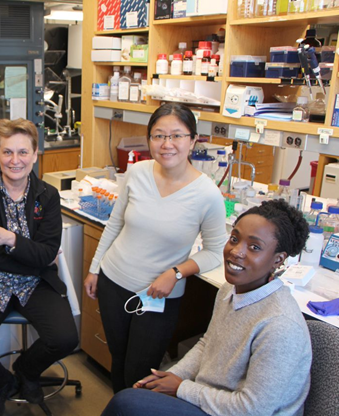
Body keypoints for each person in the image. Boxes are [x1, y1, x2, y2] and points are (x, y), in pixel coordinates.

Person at [102, 199, 312, 416]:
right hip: (210, 399)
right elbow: (207, 344)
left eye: (254, 247)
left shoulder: (280, 326)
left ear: (278, 260)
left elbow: (253, 410)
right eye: (234, 238)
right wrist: (167, 379)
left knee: (125, 404)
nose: (236, 251)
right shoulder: (229, 290)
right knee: (135, 399)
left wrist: (181, 388)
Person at [84, 103, 227, 393]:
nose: (167, 144)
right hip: (113, 281)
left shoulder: (207, 194)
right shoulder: (136, 172)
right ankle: (120, 408)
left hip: (158, 296)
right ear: (149, 139)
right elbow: (115, 224)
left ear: (193, 140)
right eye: (158, 135)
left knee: (140, 371)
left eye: (176, 135)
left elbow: (214, 251)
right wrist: (95, 269)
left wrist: (175, 273)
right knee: (119, 359)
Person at [0, 118, 78, 416]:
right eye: (7, 152)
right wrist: (35, 258)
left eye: (23, 152)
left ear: (35, 154)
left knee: (66, 339)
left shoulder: (47, 195)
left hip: (35, 285)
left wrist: (10, 239)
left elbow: (49, 251)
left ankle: (25, 369)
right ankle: (1, 384)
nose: (15, 160)